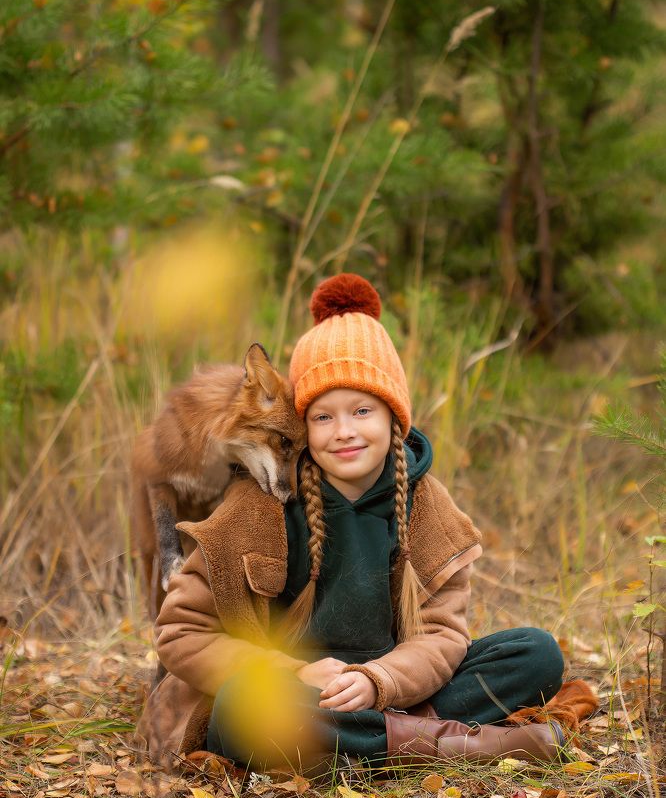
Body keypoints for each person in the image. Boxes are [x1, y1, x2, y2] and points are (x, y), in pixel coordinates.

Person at [136, 273, 597, 771]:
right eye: (323, 417)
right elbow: (181, 631)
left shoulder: (426, 503)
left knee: (535, 654)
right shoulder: (258, 505)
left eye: (361, 410)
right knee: (239, 704)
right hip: (285, 695)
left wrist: (378, 681)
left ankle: (352, 745)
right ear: (301, 426)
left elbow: (443, 637)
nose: (345, 432)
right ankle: (458, 743)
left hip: (389, 686)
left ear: (393, 418)